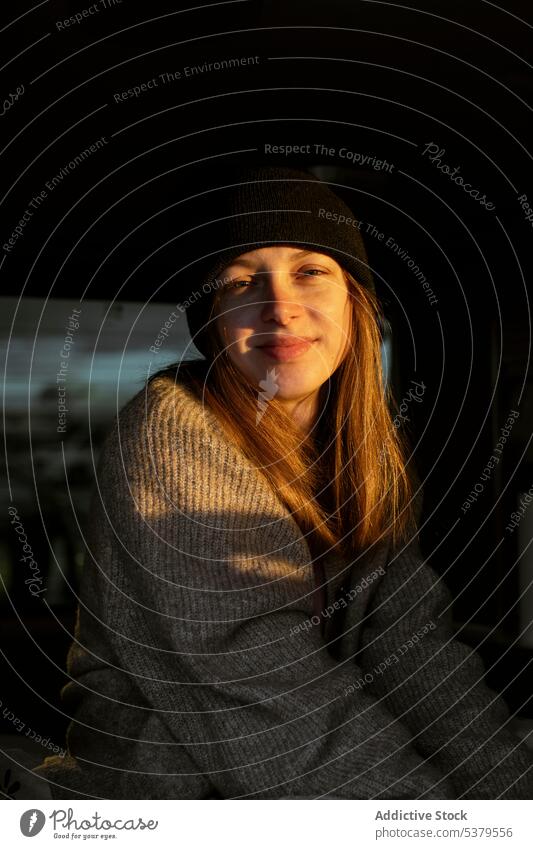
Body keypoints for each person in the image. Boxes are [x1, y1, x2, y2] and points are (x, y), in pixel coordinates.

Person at [30, 165, 533, 799]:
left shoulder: (364, 456)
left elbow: (409, 645)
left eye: (310, 271)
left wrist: (511, 790)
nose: (280, 307)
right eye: (242, 282)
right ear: (214, 321)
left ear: (356, 302)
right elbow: (264, 703)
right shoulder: (173, 434)